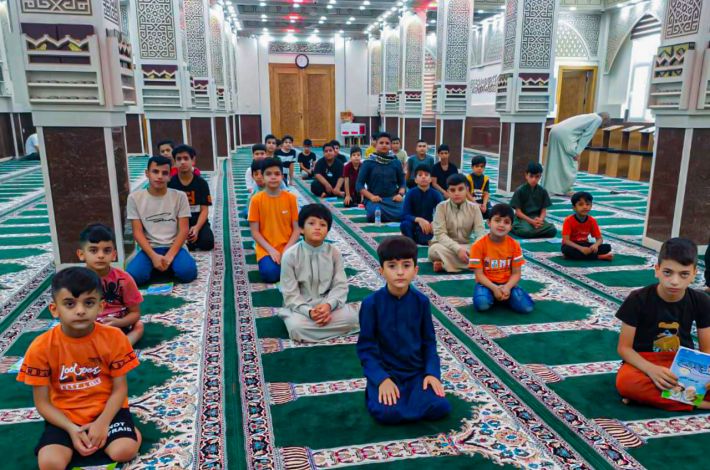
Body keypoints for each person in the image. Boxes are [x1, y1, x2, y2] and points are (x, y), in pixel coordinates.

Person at [17, 267, 141, 469]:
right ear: (54, 309)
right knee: (50, 463)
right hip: (65, 417)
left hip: (107, 411)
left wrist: (102, 423)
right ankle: (81, 437)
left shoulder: (115, 337)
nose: (80, 310)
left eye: (89, 303)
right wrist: (71, 429)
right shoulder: (41, 347)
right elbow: (42, 403)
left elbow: (120, 389)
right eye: (70, 304)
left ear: (101, 307)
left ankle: (128, 431)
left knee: (124, 451)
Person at [357, 236, 451, 424]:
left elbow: (428, 342)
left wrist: (431, 373)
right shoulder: (371, 304)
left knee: (440, 406)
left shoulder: (421, 302)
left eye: (406, 265)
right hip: (387, 372)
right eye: (392, 266)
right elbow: (366, 348)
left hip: (415, 373)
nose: (400, 272)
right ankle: (377, 391)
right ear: (381, 270)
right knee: (386, 413)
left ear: (415, 270)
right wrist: (381, 379)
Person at [615, 238, 710, 410]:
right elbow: (624, 348)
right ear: (657, 270)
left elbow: (707, 350)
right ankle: (697, 402)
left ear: (694, 274)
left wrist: (704, 375)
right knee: (627, 382)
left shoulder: (701, 300)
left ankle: (654, 398)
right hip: (644, 361)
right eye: (668, 272)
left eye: (684, 274)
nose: (675, 281)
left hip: (684, 362)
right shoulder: (637, 299)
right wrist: (651, 370)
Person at [279, 204, 360, 342]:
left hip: (328, 305)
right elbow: (290, 294)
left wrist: (328, 306)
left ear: (327, 230)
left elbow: (340, 286)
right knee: (296, 328)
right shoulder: (290, 255)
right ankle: (327, 326)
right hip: (301, 308)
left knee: (354, 317)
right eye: (311, 223)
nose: (317, 228)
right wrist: (310, 312)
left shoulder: (334, 253)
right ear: (301, 229)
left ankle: (318, 328)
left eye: (322, 225)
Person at [126, 156, 197, 285]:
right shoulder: (134, 198)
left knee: (188, 273)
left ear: (169, 176)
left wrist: (170, 256)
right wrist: (153, 256)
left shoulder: (180, 196)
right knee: (134, 276)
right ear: (147, 173)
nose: (160, 176)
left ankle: (164, 265)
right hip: (150, 248)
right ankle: (159, 265)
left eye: (164, 173)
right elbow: (137, 232)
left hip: (175, 247)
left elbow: (184, 230)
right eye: (155, 171)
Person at [77, 224, 144, 346]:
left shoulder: (124, 279)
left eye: (107, 250)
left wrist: (119, 322)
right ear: (81, 254)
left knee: (139, 326)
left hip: (117, 325)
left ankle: (121, 347)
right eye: (93, 250)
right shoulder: (75, 280)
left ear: (114, 255)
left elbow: (135, 313)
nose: (101, 255)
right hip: (87, 326)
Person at [469, 204, 534, 314]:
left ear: (511, 226)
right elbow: (479, 275)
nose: (501, 225)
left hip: (507, 284)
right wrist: (494, 288)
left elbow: (516, 273)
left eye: (506, 222)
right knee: (482, 304)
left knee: (527, 308)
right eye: (497, 220)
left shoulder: (514, 245)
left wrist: (507, 287)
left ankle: (504, 296)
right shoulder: (478, 246)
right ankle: (496, 296)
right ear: (489, 223)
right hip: (486, 284)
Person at [248, 158, 300, 283]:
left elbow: (297, 229)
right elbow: (255, 232)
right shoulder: (256, 200)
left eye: (277, 174)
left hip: (289, 246)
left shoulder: (291, 198)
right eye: (269, 174)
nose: (273, 177)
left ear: (282, 176)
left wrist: (287, 250)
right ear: (262, 177)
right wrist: (271, 250)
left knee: (305, 271)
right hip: (266, 248)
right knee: (270, 274)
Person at [428, 174, 485, 273]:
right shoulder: (441, 207)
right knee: (434, 250)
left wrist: (475, 249)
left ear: (467, 190)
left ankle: (444, 265)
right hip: (445, 246)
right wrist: (457, 249)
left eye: (460, 189)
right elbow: (440, 234)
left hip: (466, 246)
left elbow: (480, 233)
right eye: (453, 190)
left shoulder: (474, 208)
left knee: (486, 250)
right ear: (448, 192)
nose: (457, 193)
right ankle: (475, 264)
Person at [543, 112, 607, 196]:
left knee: (555, 161)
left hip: (554, 131)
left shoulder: (590, 116)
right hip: (565, 135)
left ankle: (550, 188)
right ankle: (565, 189)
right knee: (571, 163)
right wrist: (577, 152)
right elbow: (587, 136)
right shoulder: (598, 119)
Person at [168, 144, 214, 251]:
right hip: (178, 223)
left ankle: (193, 238)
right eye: (179, 159)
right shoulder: (170, 183)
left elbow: (204, 210)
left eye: (186, 158)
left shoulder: (201, 183)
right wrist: (181, 230)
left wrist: (197, 228)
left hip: (197, 221)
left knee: (207, 243)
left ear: (193, 161)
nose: (182, 162)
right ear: (174, 162)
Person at [356, 132, 406, 223]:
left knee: (405, 213)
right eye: (381, 143)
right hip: (375, 200)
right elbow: (359, 185)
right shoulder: (368, 163)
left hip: (392, 199)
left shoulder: (396, 162)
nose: (384, 145)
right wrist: (371, 197)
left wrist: (400, 195)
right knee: (373, 214)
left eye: (387, 143)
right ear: (376, 144)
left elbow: (402, 182)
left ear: (390, 146)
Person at [510, 162, 557, 239]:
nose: (534, 179)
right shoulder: (520, 190)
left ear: (540, 176)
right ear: (526, 175)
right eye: (531, 176)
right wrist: (532, 222)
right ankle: (514, 228)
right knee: (526, 231)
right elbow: (518, 213)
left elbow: (543, 211)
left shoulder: (542, 191)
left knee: (552, 230)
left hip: (536, 218)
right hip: (523, 219)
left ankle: (534, 232)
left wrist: (540, 220)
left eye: (537, 177)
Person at [561, 191, 612, 261]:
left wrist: (595, 245)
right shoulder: (568, 220)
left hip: (585, 244)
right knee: (567, 249)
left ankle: (571, 256)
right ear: (574, 208)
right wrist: (581, 248)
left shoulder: (592, 221)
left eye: (587, 204)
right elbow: (566, 240)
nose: (585, 207)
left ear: (591, 206)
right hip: (572, 245)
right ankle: (599, 257)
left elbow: (599, 239)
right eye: (581, 204)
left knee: (607, 247)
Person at [400, 165, 443, 246]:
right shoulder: (410, 193)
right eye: (420, 175)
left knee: (438, 229)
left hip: (429, 226)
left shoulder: (436, 194)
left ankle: (413, 239)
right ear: (416, 180)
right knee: (405, 225)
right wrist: (419, 220)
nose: (423, 177)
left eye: (426, 175)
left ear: (430, 179)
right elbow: (405, 215)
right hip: (414, 223)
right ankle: (412, 240)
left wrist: (434, 223)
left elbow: (443, 213)